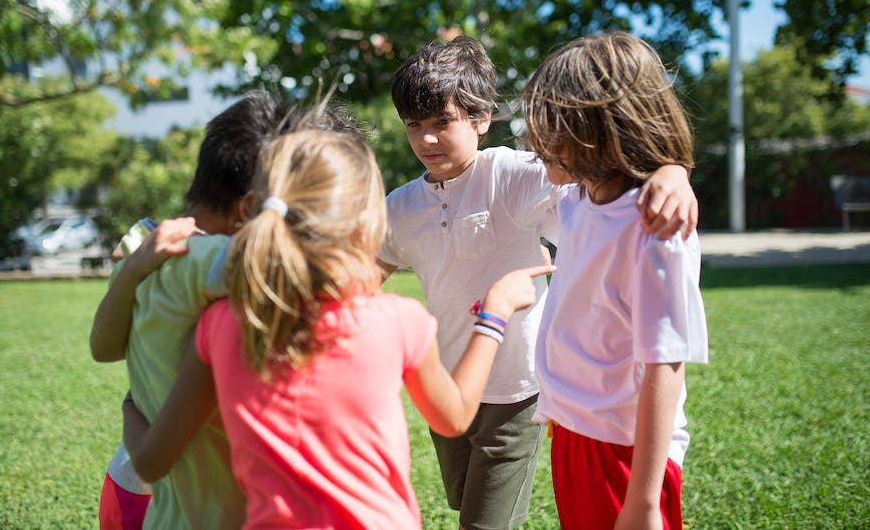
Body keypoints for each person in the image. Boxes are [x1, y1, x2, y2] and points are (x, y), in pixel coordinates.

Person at [119, 129, 554, 529]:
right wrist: (494, 313)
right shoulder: (397, 321)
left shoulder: (221, 325)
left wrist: (132, 412)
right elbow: (456, 415)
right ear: (364, 223)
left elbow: (152, 462)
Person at [377, 35, 699, 529]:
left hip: (528, 399)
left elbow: (609, 169)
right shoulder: (404, 204)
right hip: (481, 395)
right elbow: (361, 274)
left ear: (481, 119)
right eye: (413, 126)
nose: (427, 138)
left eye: (443, 122)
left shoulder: (529, 176)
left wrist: (673, 170)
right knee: (470, 506)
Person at [91, 91, 358, 529]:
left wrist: (134, 267)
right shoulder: (209, 257)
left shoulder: (148, 243)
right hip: (211, 507)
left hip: (137, 492)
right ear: (252, 207)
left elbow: (102, 347)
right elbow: (291, 278)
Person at [522, 31, 710, 530]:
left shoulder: (655, 229)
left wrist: (644, 501)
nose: (533, 138)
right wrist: (676, 166)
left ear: (596, 127)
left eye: (548, 123)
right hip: (574, 432)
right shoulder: (578, 200)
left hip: (625, 453)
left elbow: (665, 368)